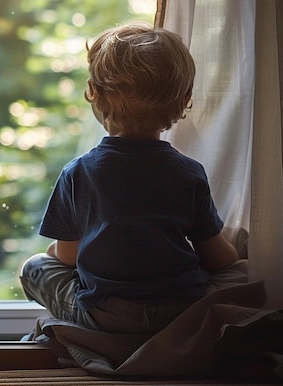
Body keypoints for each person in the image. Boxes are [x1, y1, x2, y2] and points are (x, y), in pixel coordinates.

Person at [20, 22, 239, 335]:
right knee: (241, 274)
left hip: (105, 314)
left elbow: (68, 257)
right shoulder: (189, 172)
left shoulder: (78, 172)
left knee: (34, 268)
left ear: (93, 93)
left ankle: (100, 339)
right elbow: (218, 258)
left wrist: (58, 253)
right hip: (179, 312)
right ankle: (160, 343)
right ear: (184, 98)